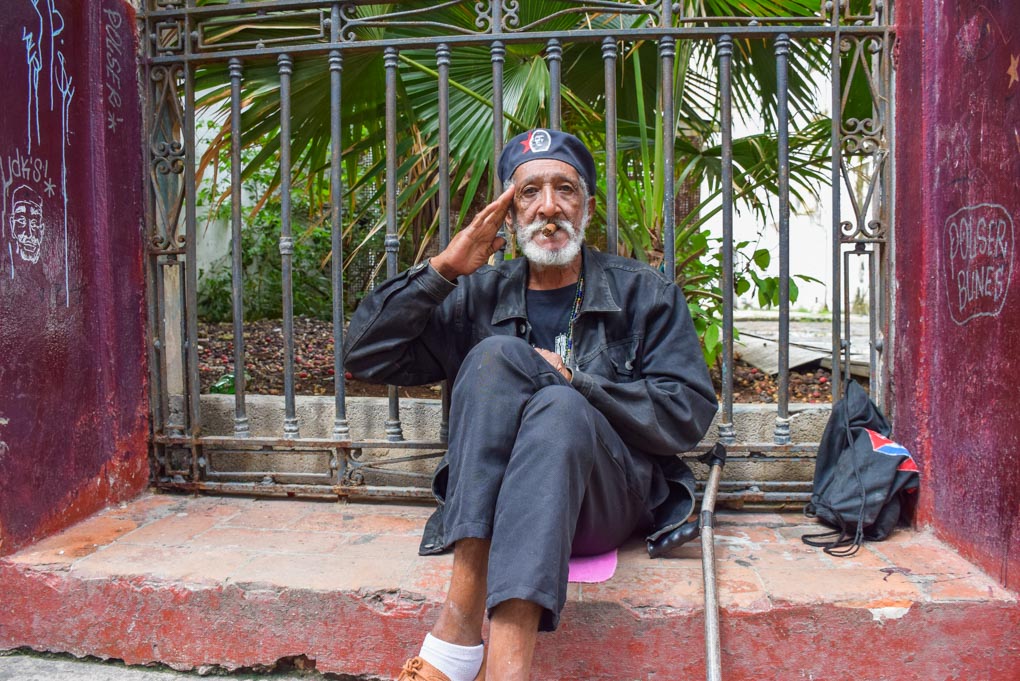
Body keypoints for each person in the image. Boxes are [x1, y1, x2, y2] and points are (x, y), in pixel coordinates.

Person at [343, 129, 718, 681]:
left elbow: (685, 414)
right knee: (516, 373)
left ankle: (454, 635)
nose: (549, 207)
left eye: (565, 189)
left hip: (602, 499)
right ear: (509, 211)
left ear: (586, 205)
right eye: (529, 192)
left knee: (563, 403)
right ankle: (506, 671)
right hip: (502, 504)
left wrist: (579, 381)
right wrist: (444, 268)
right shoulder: (478, 292)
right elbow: (364, 356)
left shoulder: (645, 294)